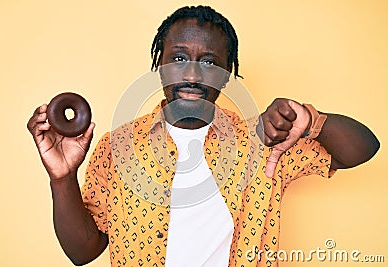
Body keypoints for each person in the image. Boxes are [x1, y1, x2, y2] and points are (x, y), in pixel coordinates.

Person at [27, 5, 379, 267]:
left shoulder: (265, 142)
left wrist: (312, 119)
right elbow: (82, 252)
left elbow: (362, 148)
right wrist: (62, 178)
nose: (193, 74)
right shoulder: (118, 147)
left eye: (209, 63)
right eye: (178, 58)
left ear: (227, 76)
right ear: (159, 67)